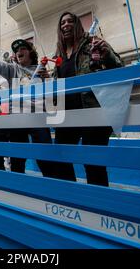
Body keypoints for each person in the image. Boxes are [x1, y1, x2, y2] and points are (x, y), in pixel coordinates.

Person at [51, 12, 123, 186]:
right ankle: (71, 198)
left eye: (70, 21)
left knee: (93, 164)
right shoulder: (59, 54)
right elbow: (57, 83)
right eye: (62, 23)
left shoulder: (92, 43)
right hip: (66, 115)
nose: (65, 25)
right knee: (61, 158)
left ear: (77, 25)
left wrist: (106, 55)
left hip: (93, 110)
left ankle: (98, 205)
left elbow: (118, 66)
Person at [0, 38, 53, 175]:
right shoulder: (12, 69)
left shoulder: (41, 70)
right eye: (16, 50)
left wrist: (48, 80)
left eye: (22, 48)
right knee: (17, 158)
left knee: (45, 155)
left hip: (38, 117)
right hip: (17, 118)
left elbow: (52, 98)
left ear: (31, 52)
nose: (18, 51)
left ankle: (53, 186)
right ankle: (17, 183)